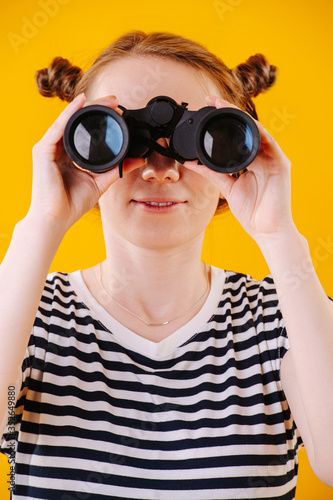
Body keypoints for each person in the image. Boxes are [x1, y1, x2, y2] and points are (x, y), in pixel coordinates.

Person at [0, 30, 332, 500]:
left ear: (239, 152)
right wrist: (43, 221)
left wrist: (278, 234)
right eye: (120, 138)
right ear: (75, 146)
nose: (161, 169)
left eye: (194, 140)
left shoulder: (283, 319)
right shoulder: (32, 312)